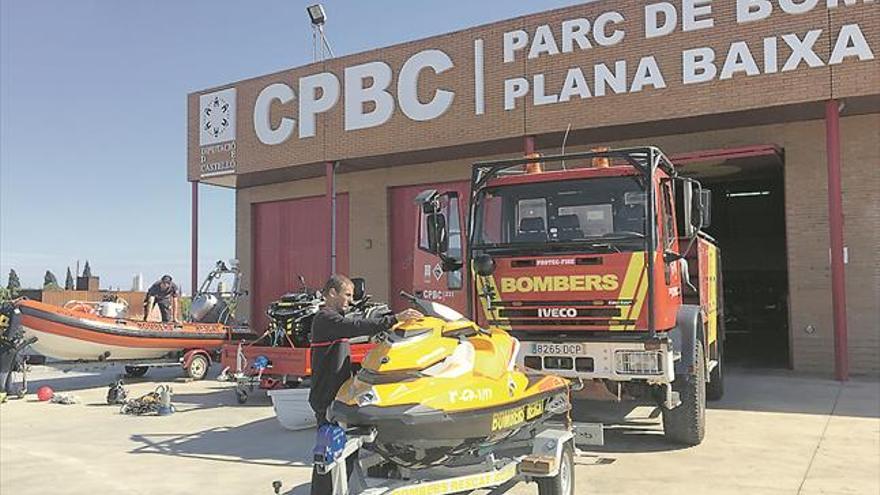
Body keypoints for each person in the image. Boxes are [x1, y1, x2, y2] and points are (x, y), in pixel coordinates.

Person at [309, 274, 422, 494]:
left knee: (344, 453)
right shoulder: (325, 318)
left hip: (339, 396)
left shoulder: (334, 318)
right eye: (347, 295)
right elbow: (356, 326)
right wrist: (394, 318)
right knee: (329, 451)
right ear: (332, 293)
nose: (350, 300)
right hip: (327, 397)